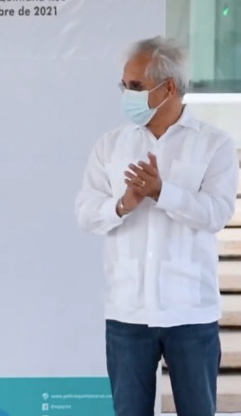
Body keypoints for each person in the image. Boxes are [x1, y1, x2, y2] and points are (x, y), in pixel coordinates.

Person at [75, 37, 237, 416]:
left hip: (190, 312)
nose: (127, 95)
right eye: (124, 86)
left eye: (136, 86)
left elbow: (216, 213)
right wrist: (123, 204)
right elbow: (85, 213)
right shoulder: (110, 146)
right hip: (127, 312)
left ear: (169, 88)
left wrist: (163, 192)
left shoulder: (214, 145)